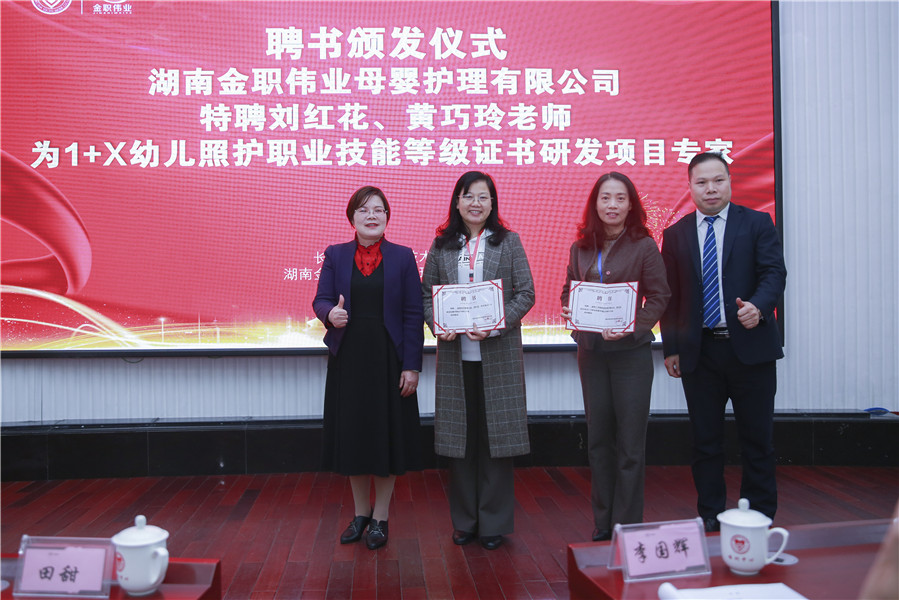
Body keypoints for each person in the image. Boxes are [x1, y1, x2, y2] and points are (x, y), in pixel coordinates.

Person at [660, 152, 787, 531]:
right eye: (701, 182)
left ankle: (760, 516)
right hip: (700, 353)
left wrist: (759, 307)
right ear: (690, 187)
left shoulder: (757, 223)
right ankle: (711, 515)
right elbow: (671, 296)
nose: (710, 189)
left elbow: (774, 273)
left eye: (718, 180)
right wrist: (671, 347)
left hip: (751, 349)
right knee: (705, 441)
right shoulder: (676, 234)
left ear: (730, 182)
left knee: (757, 440)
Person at [421, 171, 535, 551]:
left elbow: (526, 293)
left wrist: (497, 324)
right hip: (456, 358)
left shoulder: (509, 242)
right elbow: (425, 295)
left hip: (498, 356)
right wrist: (438, 324)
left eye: (483, 197)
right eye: (468, 196)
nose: (475, 203)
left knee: (496, 441)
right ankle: (465, 520)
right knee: (462, 441)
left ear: (492, 203)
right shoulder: (441, 246)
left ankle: (494, 523)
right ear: (457, 202)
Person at [560, 172, 670, 542]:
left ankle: (628, 523)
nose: (612, 205)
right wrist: (570, 311)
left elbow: (659, 296)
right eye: (605, 198)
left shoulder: (644, 246)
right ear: (595, 204)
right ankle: (603, 520)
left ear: (630, 204)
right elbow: (568, 289)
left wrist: (633, 326)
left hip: (631, 357)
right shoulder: (581, 247)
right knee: (598, 440)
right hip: (591, 354)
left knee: (630, 444)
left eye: (620, 198)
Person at [312, 186, 424, 550]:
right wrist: (330, 314)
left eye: (378, 210)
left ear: (387, 216)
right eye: (363, 210)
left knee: (386, 438)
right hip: (349, 358)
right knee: (355, 437)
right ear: (352, 218)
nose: (371, 216)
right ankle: (360, 514)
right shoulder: (336, 254)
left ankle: (381, 517)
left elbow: (413, 314)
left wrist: (411, 366)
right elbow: (321, 299)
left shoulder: (403, 257)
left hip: (389, 358)